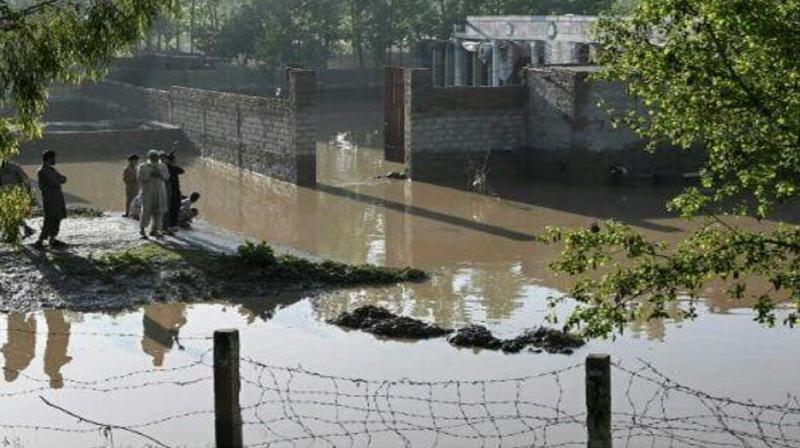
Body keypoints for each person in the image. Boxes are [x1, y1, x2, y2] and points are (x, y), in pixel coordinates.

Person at [34, 150, 67, 249]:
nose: (55, 160)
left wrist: (59, 179)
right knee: (49, 218)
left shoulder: (52, 170)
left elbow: (64, 179)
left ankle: (52, 239)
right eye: (53, 158)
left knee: (57, 217)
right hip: (50, 198)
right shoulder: (43, 170)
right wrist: (59, 179)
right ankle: (40, 240)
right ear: (49, 158)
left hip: (56, 197)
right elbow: (55, 182)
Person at [137, 149, 170, 239]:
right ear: (149, 157)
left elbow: (167, 177)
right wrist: (151, 173)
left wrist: (159, 173)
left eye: (156, 157)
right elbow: (140, 178)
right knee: (146, 210)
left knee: (159, 211)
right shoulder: (143, 166)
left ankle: (156, 230)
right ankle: (142, 229)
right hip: (148, 192)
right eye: (153, 157)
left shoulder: (162, 166)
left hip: (160, 192)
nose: (155, 159)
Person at [0, 160, 35, 237]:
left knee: (13, 214)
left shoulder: (14, 167)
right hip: (5, 196)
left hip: (16, 194)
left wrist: (27, 193)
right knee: (9, 214)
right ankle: (23, 230)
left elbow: (25, 180)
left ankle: (17, 232)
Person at [162, 152, 185, 235]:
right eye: (174, 160)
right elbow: (182, 171)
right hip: (172, 191)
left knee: (172, 208)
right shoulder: (170, 168)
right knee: (173, 208)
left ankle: (169, 226)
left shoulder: (166, 167)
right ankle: (171, 226)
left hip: (171, 190)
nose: (175, 162)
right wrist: (172, 164)